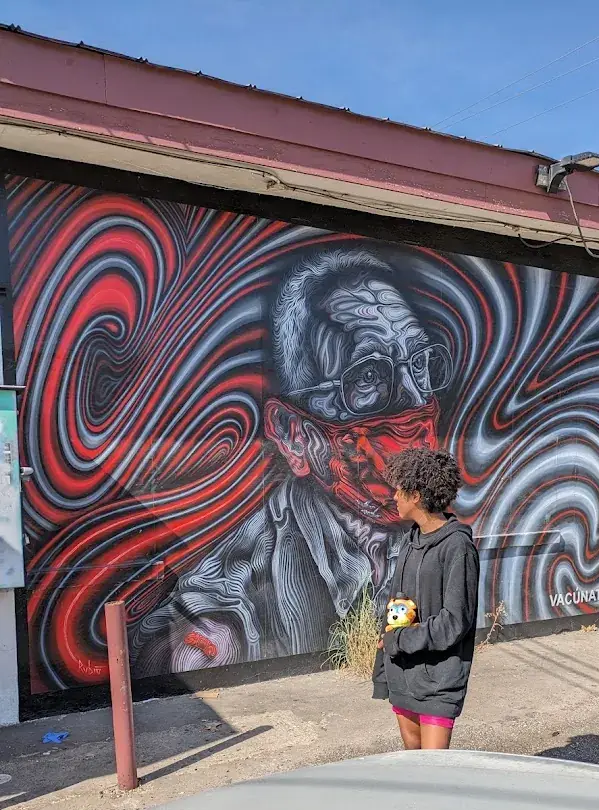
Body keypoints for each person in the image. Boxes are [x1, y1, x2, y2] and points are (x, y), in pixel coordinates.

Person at [130, 248, 453, 674]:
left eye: (421, 364)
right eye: (369, 376)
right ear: (292, 432)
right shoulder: (232, 605)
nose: (415, 400)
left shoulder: (434, 534)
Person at [373, 448, 480, 750]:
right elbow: (400, 601)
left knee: (434, 773)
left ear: (416, 494)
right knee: (413, 771)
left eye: (399, 490)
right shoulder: (410, 539)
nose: (394, 497)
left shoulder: (458, 547)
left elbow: (454, 622)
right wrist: (388, 642)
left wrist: (399, 640)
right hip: (402, 673)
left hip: (439, 679)